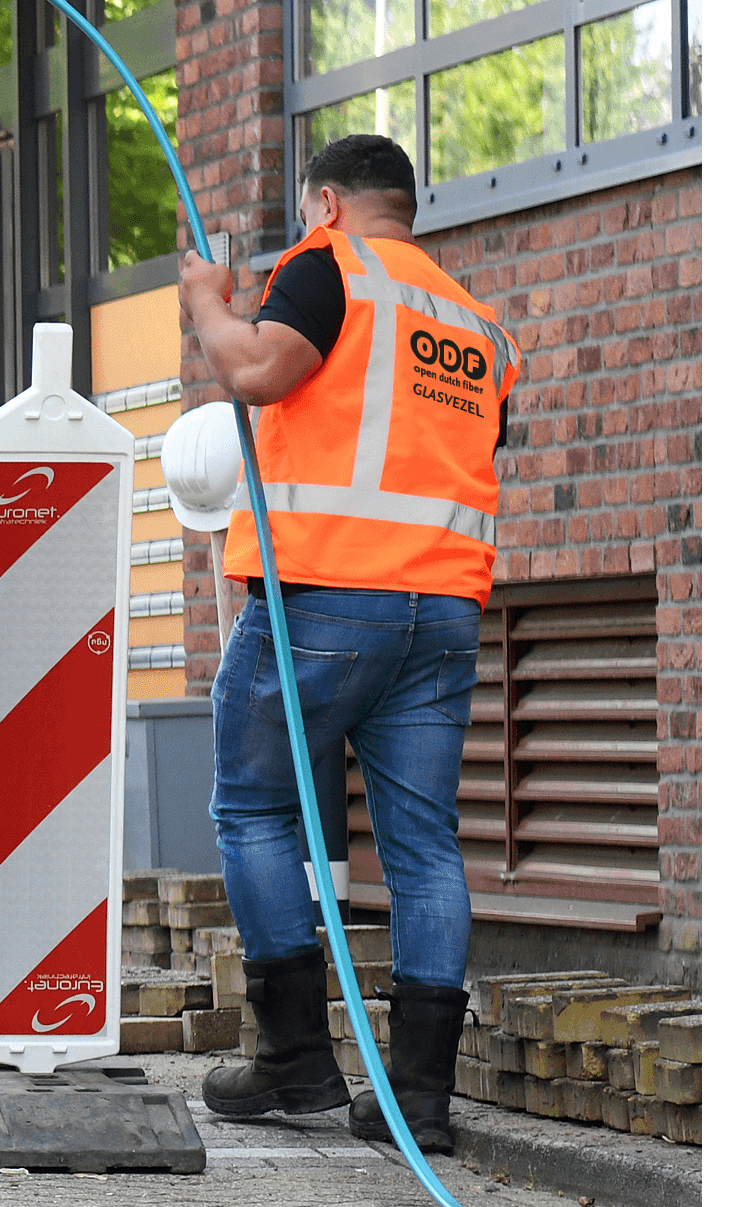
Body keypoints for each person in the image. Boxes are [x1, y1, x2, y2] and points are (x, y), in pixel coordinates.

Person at [177, 133, 520, 1154]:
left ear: (326, 202)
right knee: (422, 846)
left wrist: (206, 297)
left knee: (251, 805)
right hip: (443, 614)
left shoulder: (328, 269)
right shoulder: (472, 322)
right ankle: (416, 1094)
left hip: (327, 597)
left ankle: (292, 1057)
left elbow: (252, 367)